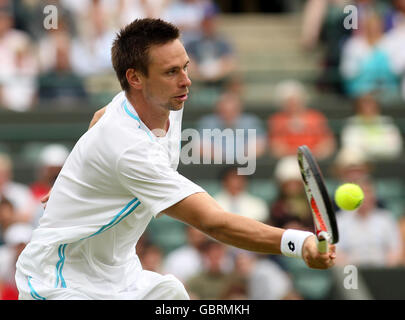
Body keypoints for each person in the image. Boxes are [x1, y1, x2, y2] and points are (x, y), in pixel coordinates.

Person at [16, 18, 336, 301]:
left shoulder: (157, 100)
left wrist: (74, 178)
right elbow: (214, 222)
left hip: (121, 276)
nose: (186, 80)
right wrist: (300, 242)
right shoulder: (129, 148)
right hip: (59, 281)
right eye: (171, 72)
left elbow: (100, 117)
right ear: (136, 78)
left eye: (185, 66)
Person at [267, 80, 336, 160]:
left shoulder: (316, 117)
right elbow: (277, 148)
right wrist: (300, 155)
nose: (293, 103)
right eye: (289, 101)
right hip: (290, 160)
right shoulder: (277, 120)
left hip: (316, 159)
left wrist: (314, 154)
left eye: (296, 99)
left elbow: (327, 143)